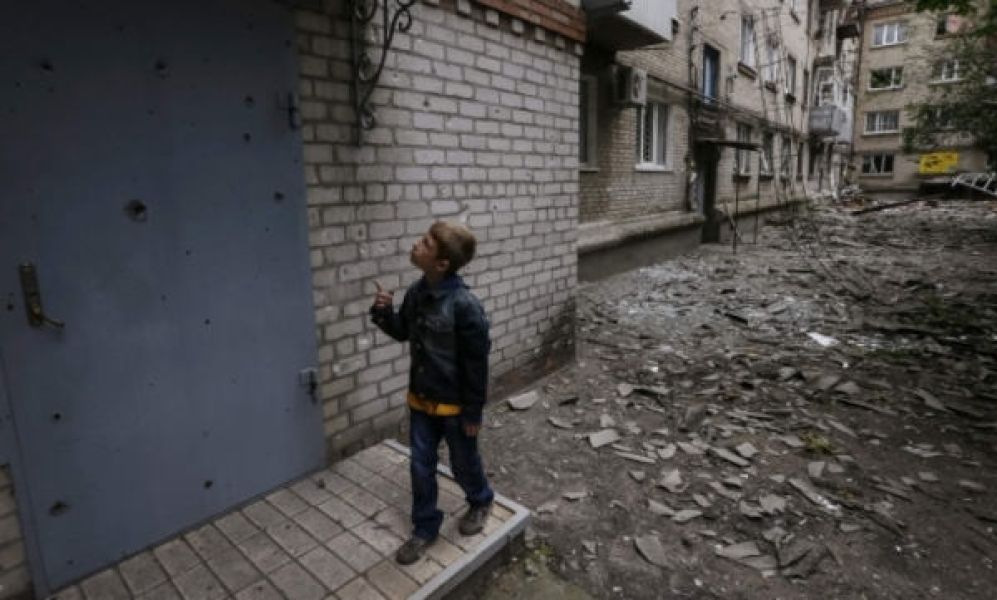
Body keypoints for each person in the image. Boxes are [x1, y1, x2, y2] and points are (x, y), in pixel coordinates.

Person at [370, 221, 494, 565]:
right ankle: (425, 528)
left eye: (425, 243)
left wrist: (473, 412)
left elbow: (476, 365)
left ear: (441, 263)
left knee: (463, 463)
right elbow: (402, 332)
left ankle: (481, 499)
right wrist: (383, 311)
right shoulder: (416, 292)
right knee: (420, 467)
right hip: (421, 403)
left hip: (455, 409)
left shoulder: (465, 305)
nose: (416, 244)